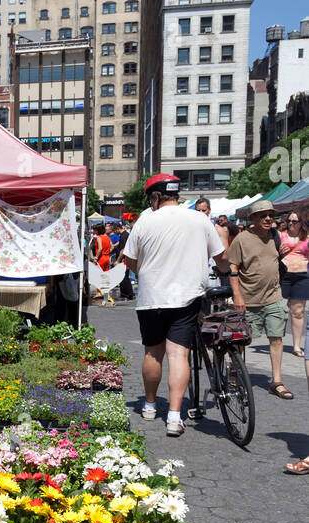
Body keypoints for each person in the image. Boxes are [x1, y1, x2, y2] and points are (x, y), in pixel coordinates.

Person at [121, 173, 229, 437]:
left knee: (152, 353)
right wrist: (229, 276)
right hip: (187, 296)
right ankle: (173, 417)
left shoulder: (144, 222)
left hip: (151, 297)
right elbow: (221, 257)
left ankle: (148, 405)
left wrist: (146, 268)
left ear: (156, 197)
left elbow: (130, 261)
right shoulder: (200, 219)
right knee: (179, 354)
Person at [228, 200, 293, 399]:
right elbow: (233, 269)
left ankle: (277, 381)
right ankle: (234, 375)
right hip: (248, 300)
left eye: (270, 215)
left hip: (274, 296)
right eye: (262, 215)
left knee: (276, 338)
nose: (267, 219)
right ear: (253, 218)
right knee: (240, 342)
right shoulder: (242, 239)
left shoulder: (275, 236)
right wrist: (237, 295)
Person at [278, 213, 309, 359]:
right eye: (289, 220)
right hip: (284, 275)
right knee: (280, 310)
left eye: (294, 221)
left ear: (301, 222)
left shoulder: (307, 237)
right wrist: (279, 253)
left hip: (302, 276)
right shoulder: (280, 235)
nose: (291, 223)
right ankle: (276, 342)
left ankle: (296, 345)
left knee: (298, 312)